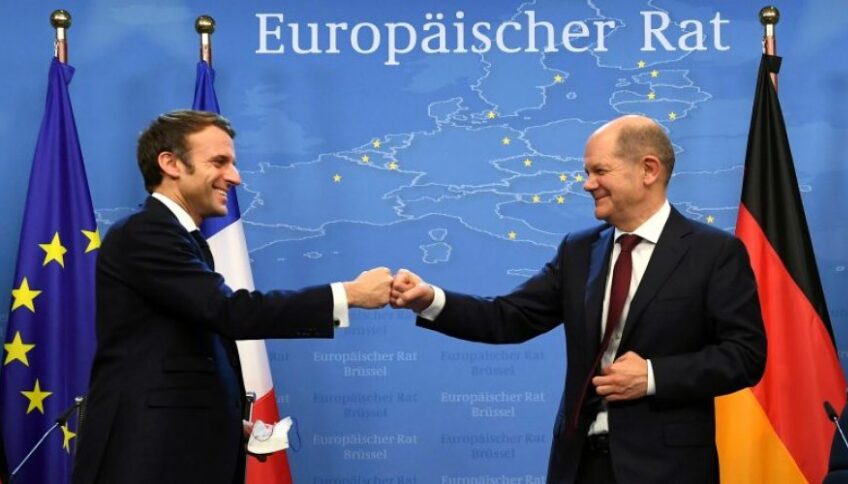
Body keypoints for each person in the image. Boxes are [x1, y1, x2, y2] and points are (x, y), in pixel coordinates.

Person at [391, 115, 767, 483]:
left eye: (599, 171)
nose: (588, 184)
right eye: (587, 172)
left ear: (648, 170)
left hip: (667, 469)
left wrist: (653, 376)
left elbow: (745, 356)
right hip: (578, 466)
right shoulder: (579, 250)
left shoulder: (714, 253)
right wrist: (429, 300)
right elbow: (508, 317)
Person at [72, 110, 392, 484]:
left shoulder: (177, 237)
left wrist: (220, 421)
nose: (235, 177)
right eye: (219, 162)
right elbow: (229, 312)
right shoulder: (147, 232)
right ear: (171, 164)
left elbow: (171, 353)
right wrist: (348, 295)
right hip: (144, 459)